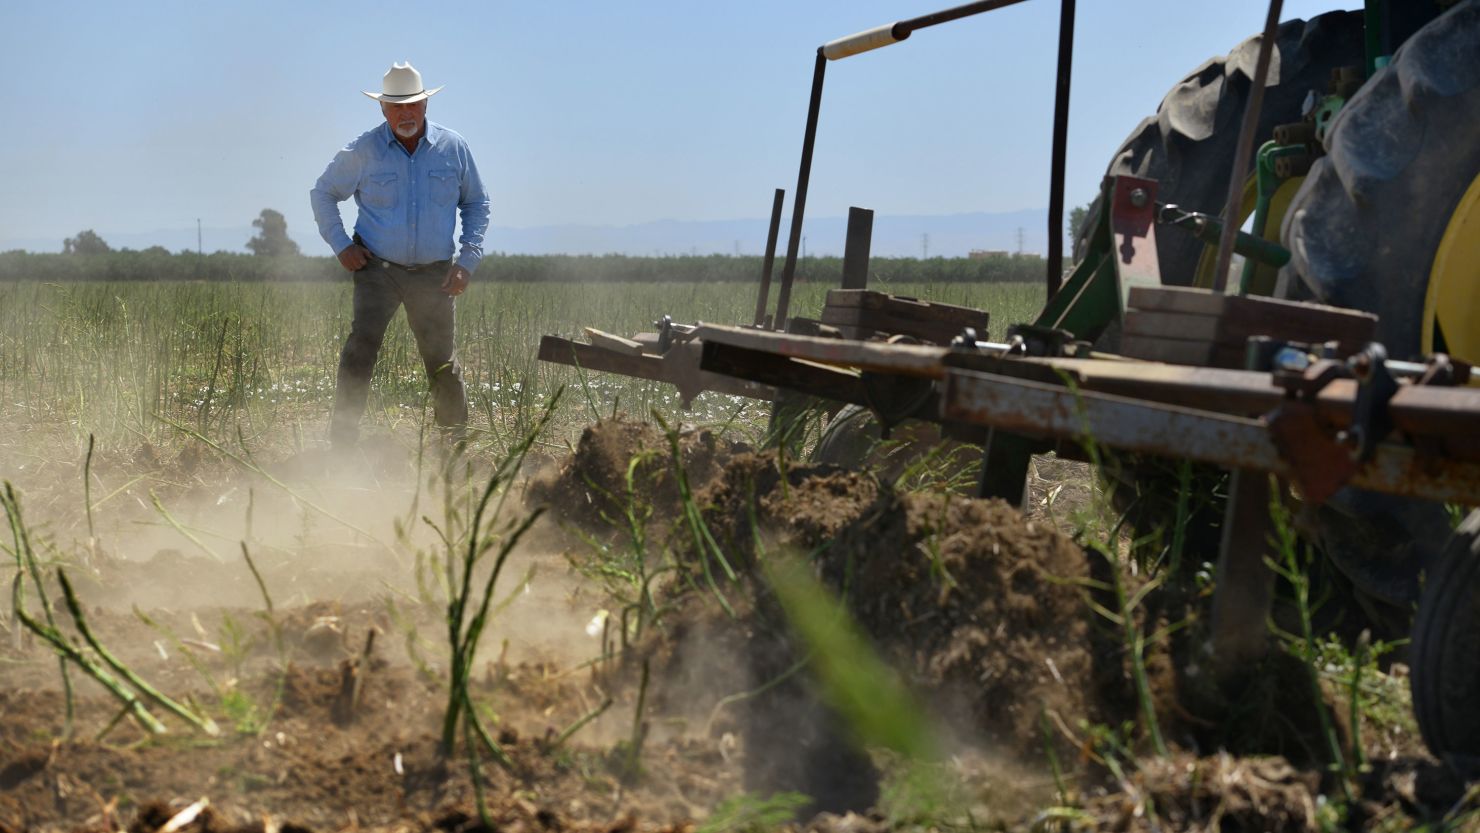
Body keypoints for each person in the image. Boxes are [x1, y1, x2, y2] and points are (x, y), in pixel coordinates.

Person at [310, 61, 490, 450]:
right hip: (378, 271)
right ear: (382, 110)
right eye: (397, 107)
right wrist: (342, 244)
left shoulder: (453, 148)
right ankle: (342, 449)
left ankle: (452, 448)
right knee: (360, 352)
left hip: (435, 274)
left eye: (413, 105)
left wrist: (468, 260)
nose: (406, 113)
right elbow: (323, 193)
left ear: (426, 105)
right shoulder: (362, 151)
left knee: (441, 361)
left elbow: (477, 203)